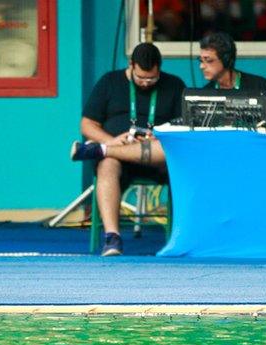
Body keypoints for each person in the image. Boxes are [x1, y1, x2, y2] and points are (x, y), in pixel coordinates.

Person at [69, 42, 185, 256]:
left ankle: (99, 150)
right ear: (131, 65)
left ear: (160, 68)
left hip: (157, 158)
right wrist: (111, 141)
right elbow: (87, 125)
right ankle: (112, 238)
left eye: (152, 79)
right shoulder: (109, 81)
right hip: (119, 153)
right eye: (141, 78)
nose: (145, 83)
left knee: (166, 149)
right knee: (107, 165)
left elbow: (184, 129)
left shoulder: (175, 85)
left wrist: (158, 135)